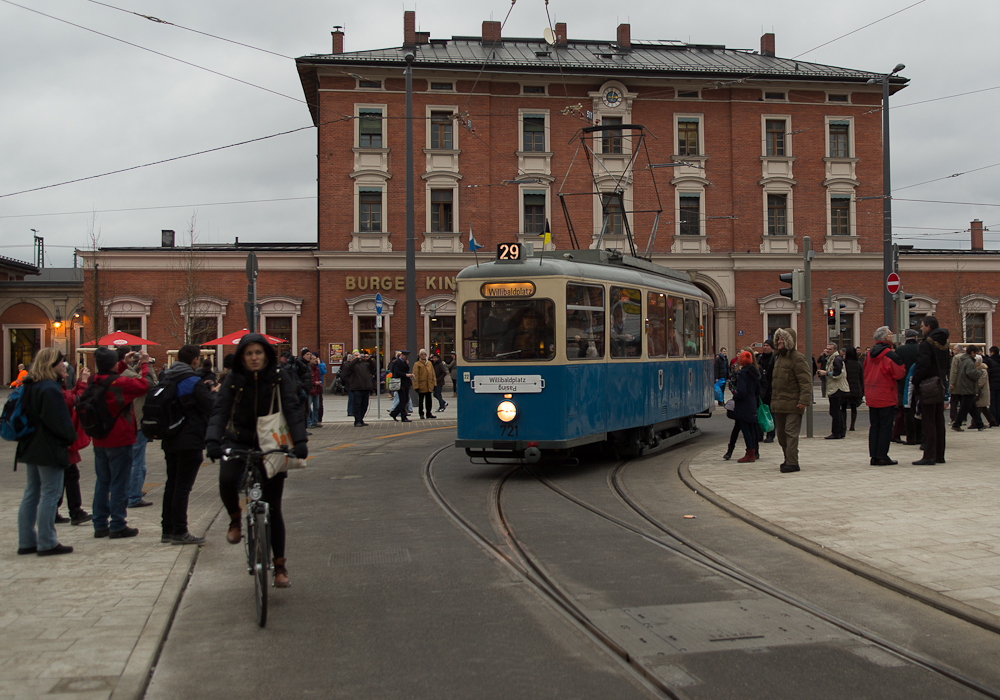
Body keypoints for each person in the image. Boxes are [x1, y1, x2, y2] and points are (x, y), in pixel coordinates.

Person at [206, 333, 307, 588]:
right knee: (227, 479)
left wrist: (300, 441)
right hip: (239, 439)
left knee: (273, 506)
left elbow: (292, 408)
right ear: (242, 356)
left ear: (266, 355)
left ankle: (280, 566)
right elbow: (220, 411)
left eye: (258, 353)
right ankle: (234, 519)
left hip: (271, 443)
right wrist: (213, 441)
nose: (254, 358)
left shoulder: (278, 377)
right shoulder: (234, 379)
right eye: (249, 353)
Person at [16, 349, 80, 556]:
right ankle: (47, 541)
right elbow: (59, 422)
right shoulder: (50, 389)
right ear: (51, 364)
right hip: (48, 447)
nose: (65, 366)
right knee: (50, 493)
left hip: (29, 445)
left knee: (32, 492)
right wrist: (70, 438)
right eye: (61, 362)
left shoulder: (29, 386)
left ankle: (26, 541)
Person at [91, 347, 151, 539]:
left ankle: (100, 524)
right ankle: (117, 523)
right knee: (119, 482)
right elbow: (144, 385)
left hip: (99, 438)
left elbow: (108, 375)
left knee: (102, 481)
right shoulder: (122, 382)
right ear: (115, 365)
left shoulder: (93, 380)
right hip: (120, 437)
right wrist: (144, 364)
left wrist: (123, 363)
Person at [159, 344, 216, 545]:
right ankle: (180, 531)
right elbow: (210, 406)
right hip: (189, 439)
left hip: (170, 437)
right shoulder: (193, 382)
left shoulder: (167, 377)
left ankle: (167, 529)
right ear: (194, 360)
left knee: (171, 484)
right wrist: (213, 392)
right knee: (183, 487)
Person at [54, 362, 91, 527]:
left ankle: (59, 511)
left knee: (63, 476)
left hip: (57, 440)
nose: (67, 374)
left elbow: (71, 396)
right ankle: (74, 511)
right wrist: (83, 382)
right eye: (64, 370)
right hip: (59, 440)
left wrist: (78, 384)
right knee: (67, 476)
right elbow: (75, 401)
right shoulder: (53, 389)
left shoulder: (53, 387)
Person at [769, 328, 811, 474]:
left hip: (794, 403)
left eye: (782, 339)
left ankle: (792, 462)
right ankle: (787, 458)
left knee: (791, 433)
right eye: (778, 338)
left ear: (789, 341)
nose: (779, 341)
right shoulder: (778, 358)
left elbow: (805, 381)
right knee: (781, 435)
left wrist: (804, 400)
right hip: (779, 404)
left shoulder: (797, 358)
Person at [911, 316, 950, 466]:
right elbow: (947, 363)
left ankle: (929, 455)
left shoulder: (927, 343)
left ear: (928, 327)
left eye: (922, 326)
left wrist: (916, 380)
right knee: (939, 419)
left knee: (928, 420)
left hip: (928, 384)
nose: (921, 328)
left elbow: (923, 365)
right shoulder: (945, 342)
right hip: (940, 382)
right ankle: (940, 454)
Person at [864, 327, 906, 466]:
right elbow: (899, 373)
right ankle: (882, 455)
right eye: (890, 334)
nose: (892, 335)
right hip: (885, 394)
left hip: (872, 393)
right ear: (886, 338)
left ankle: (874, 456)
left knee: (874, 426)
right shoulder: (889, 355)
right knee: (886, 426)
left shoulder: (869, 354)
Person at [124, 350, 157, 510]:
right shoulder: (127, 374)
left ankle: (132, 492)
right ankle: (133, 496)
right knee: (137, 463)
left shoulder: (123, 372)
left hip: (130, 423)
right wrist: (146, 364)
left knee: (132, 461)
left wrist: (139, 367)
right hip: (136, 422)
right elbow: (150, 385)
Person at [732, 351, 761, 463]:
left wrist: (735, 397)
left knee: (745, 429)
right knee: (751, 429)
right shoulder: (755, 372)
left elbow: (741, 391)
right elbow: (758, 390)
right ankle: (753, 452)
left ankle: (749, 453)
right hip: (752, 403)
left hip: (744, 405)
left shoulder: (743, 373)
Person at [892, 329, 920, 445]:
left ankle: (908, 436)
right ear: (916, 337)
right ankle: (919, 435)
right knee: (918, 409)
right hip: (918, 382)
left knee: (905, 410)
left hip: (903, 383)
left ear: (905, 338)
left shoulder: (899, 350)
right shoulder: (920, 349)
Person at [817, 343, 848, 439]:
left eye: (830, 349)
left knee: (834, 411)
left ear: (835, 350)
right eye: (826, 349)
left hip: (837, 389)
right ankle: (841, 431)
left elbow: (837, 374)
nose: (827, 350)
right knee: (837, 411)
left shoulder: (836, 359)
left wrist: (825, 373)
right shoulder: (831, 359)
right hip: (836, 388)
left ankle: (836, 432)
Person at [952, 345, 984, 431]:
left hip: (964, 386)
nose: (975, 355)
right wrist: (979, 371)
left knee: (972, 407)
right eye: (975, 353)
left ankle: (979, 424)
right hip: (968, 387)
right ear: (972, 352)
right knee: (964, 407)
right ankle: (956, 424)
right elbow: (971, 373)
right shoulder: (969, 362)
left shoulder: (964, 360)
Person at [343, 350, 375, 426]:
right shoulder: (350, 365)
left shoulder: (365, 364)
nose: (358, 357)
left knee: (365, 405)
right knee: (357, 405)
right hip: (356, 387)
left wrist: (369, 359)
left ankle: (361, 419)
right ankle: (357, 421)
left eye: (359, 355)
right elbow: (349, 367)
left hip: (366, 387)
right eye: (356, 356)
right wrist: (357, 359)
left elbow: (374, 367)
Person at [757, 339, 776, 442]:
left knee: (771, 413)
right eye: (764, 345)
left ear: (772, 348)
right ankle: (759, 434)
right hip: (761, 389)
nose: (765, 347)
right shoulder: (759, 358)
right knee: (760, 412)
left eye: (767, 346)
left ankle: (770, 434)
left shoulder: (774, 359)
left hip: (770, 390)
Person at [843, 346, 864, 433]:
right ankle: (852, 425)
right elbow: (861, 378)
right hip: (856, 388)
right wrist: (862, 391)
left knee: (843, 407)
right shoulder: (858, 364)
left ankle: (844, 424)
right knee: (854, 407)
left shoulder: (844, 363)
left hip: (845, 388)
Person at [388, 350, 414, 421]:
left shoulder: (403, 362)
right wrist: (406, 375)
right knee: (403, 400)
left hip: (405, 383)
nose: (406, 358)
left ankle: (394, 413)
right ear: (402, 355)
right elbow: (397, 372)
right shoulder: (397, 362)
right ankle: (403, 416)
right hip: (400, 384)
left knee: (405, 400)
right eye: (406, 356)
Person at [413, 349, 437, 419]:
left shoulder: (429, 363)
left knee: (429, 401)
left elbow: (433, 374)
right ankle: (421, 413)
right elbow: (415, 376)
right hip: (421, 386)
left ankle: (429, 413)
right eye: (422, 354)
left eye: (424, 354)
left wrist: (434, 384)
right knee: (421, 401)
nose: (423, 356)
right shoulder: (417, 364)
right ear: (420, 356)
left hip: (429, 385)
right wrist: (416, 386)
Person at [975, 355, 997, 427]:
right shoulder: (978, 370)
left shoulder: (983, 370)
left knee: (979, 407)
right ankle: (992, 421)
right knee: (984, 408)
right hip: (981, 392)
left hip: (982, 392)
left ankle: (975, 423)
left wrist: (974, 387)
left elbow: (980, 383)